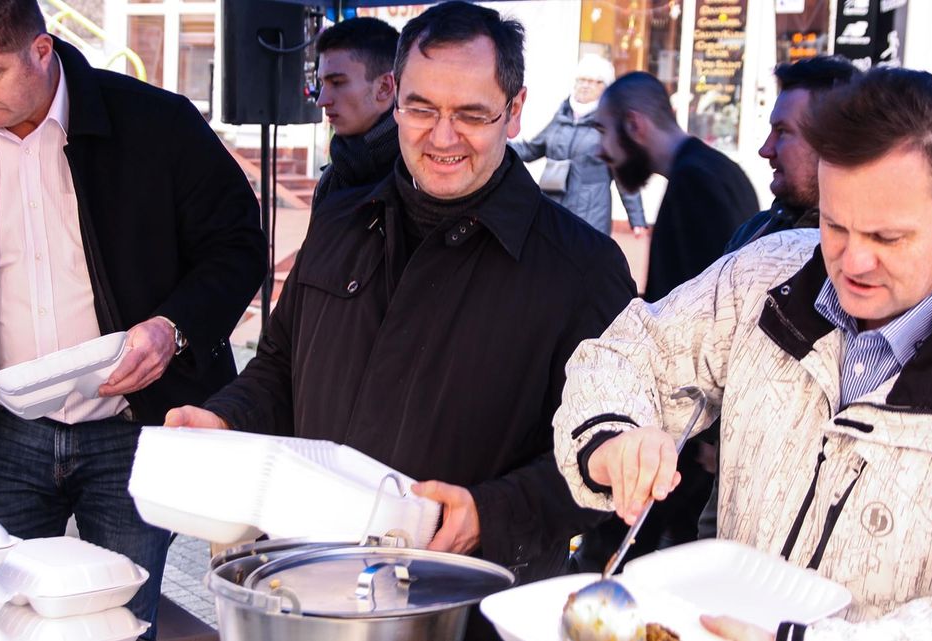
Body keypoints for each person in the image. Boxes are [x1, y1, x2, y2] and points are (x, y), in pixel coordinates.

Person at [554, 67, 932, 640]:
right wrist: (611, 437)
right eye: (836, 225)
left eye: (888, 237)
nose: (852, 263)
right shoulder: (765, 273)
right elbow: (631, 352)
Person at [164, 2, 635, 638]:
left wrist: (489, 513)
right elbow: (278, 367)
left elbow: (600, 461)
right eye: (421, 109)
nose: (442, 137)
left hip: (468, 612)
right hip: (311, 593)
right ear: (396, 101)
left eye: (471, 114)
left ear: (515, 110)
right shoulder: (338, 221)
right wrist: (225, 416)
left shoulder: (582, 268)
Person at [0, 0, 266, 636]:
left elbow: (237, 244)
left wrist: (173, 327)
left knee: (121, 625)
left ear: (42, 52)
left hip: (133, 431)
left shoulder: (156, 121)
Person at [595, 71, 758, 302]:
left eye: (603, 132)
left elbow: (690, 306)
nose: (599, 150)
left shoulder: (693, 183)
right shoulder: (721, 170)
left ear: (633, 125)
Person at [725, 56, 858, 254]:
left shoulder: (863, 252)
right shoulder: (756, 231)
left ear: (834, 141)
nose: (765, 150)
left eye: (783, 131)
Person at [510, 54, 647, 237]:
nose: (585, 85)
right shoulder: (561, 117)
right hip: (554, 207)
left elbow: (624, 175)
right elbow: (531, 149)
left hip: (591, 214)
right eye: (581, 79)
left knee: (586, 263)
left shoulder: (611, 125)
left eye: (593, 81)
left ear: (605, 88)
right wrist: (496, 145)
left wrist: (636, 219)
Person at [311, 17, 401, 207]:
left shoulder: (419, 179)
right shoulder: (332, 178)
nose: (321, 101)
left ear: (384, 87)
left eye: (337, 83)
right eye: (322, 84)